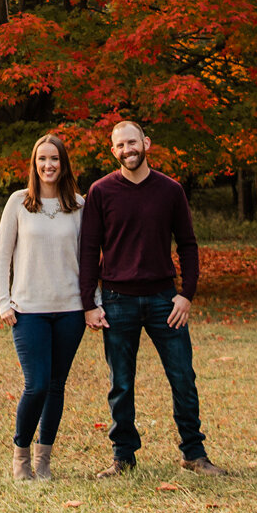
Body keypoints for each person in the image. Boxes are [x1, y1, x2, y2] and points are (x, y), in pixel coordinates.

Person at [79, 118, 227, 478]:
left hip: (165, 300)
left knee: (182, 377)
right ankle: (123, 458)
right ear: (113, 151)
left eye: (133, 142)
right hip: (116, 301)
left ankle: (194, 453)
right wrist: (88, 304)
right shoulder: (101, 191)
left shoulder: (170, 190)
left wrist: (186, 295)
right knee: (121, 383)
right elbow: (88, 250)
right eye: (120, 145)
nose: (128, 150)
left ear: (146, 143)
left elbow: (188, 245)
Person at [0, 133, 88, 481]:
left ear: (64, 165)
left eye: (55, 159)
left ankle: (44, 460)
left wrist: (94, 302)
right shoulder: (19, 202)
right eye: (42, 159)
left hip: (70, 310)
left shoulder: (78, 205)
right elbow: (2, 255)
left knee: (57, 385)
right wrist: (3, 300)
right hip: (28, 310)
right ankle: (21, 459)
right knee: (36, 385)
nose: (48, 165)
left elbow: (89, 260)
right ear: (34, 164)